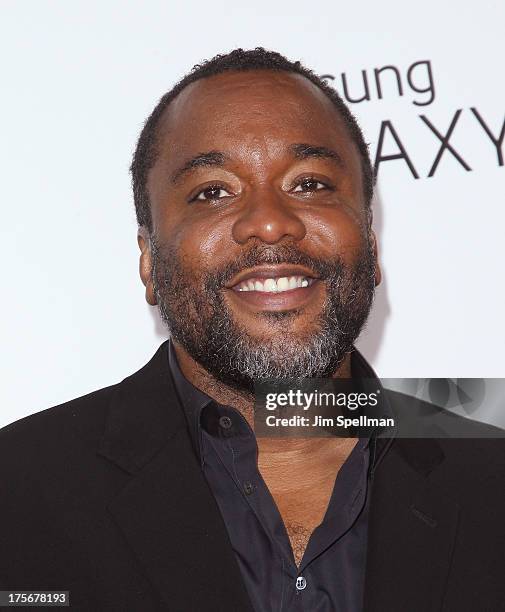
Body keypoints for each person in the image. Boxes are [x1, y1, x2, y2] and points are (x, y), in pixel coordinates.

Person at [1, 48, 504, 612]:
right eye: (213, 191)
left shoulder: (493, 478)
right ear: (148, 262)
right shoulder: (18, 491)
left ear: (372, 239)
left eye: (310, 184)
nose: (269, 221)